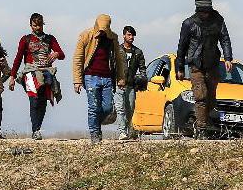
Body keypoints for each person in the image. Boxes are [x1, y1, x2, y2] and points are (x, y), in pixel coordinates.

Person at [175, 0, 234, 138]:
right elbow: (181, 47)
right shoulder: (188, 23)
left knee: (211, 100)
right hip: (196, 66)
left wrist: (228, 58)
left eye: (206, 10)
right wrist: (180, 68)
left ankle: (202, 122)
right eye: (202, 11)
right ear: (197, 8)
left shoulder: (218, 20)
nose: (204, 14)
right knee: (201, 96)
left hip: (213, 64)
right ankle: (201, 129)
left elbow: (225, 39)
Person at [9, 13, 66, 140]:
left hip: (46, 72)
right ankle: (35, 130)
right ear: (30, 25)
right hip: (30, 72)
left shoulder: (50, 39)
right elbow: (18, 58)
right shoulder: (26, 39)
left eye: (39, 25)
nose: (37, 28)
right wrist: (12, 76)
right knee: (34, 100)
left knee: (43, 101)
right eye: (35, 25)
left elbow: (62, 54)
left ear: (43, 25)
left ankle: (37, 128)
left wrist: (56, 53)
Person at [72, 14, 127, 143]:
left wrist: (121, 78)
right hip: (90, 76)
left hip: (107, 77)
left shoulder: (113, 38)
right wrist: (77, 80)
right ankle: (95, 134)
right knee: (93, 107)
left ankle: (96, 122)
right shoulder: (85, 35)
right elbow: (78, 59)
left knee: (108, 108)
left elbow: (118, 60)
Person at [115, 25, 147, 140]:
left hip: (131, 85)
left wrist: (142, 78)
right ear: (124, 35)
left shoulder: (138, 52)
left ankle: (129, 131)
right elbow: (112, 66)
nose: (131, 37)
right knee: (120, 109)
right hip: (118, 85)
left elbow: (143, 68)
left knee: (130, 110)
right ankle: (122, 132)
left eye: (132, 35)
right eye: (129, 34)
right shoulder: (117, 50)